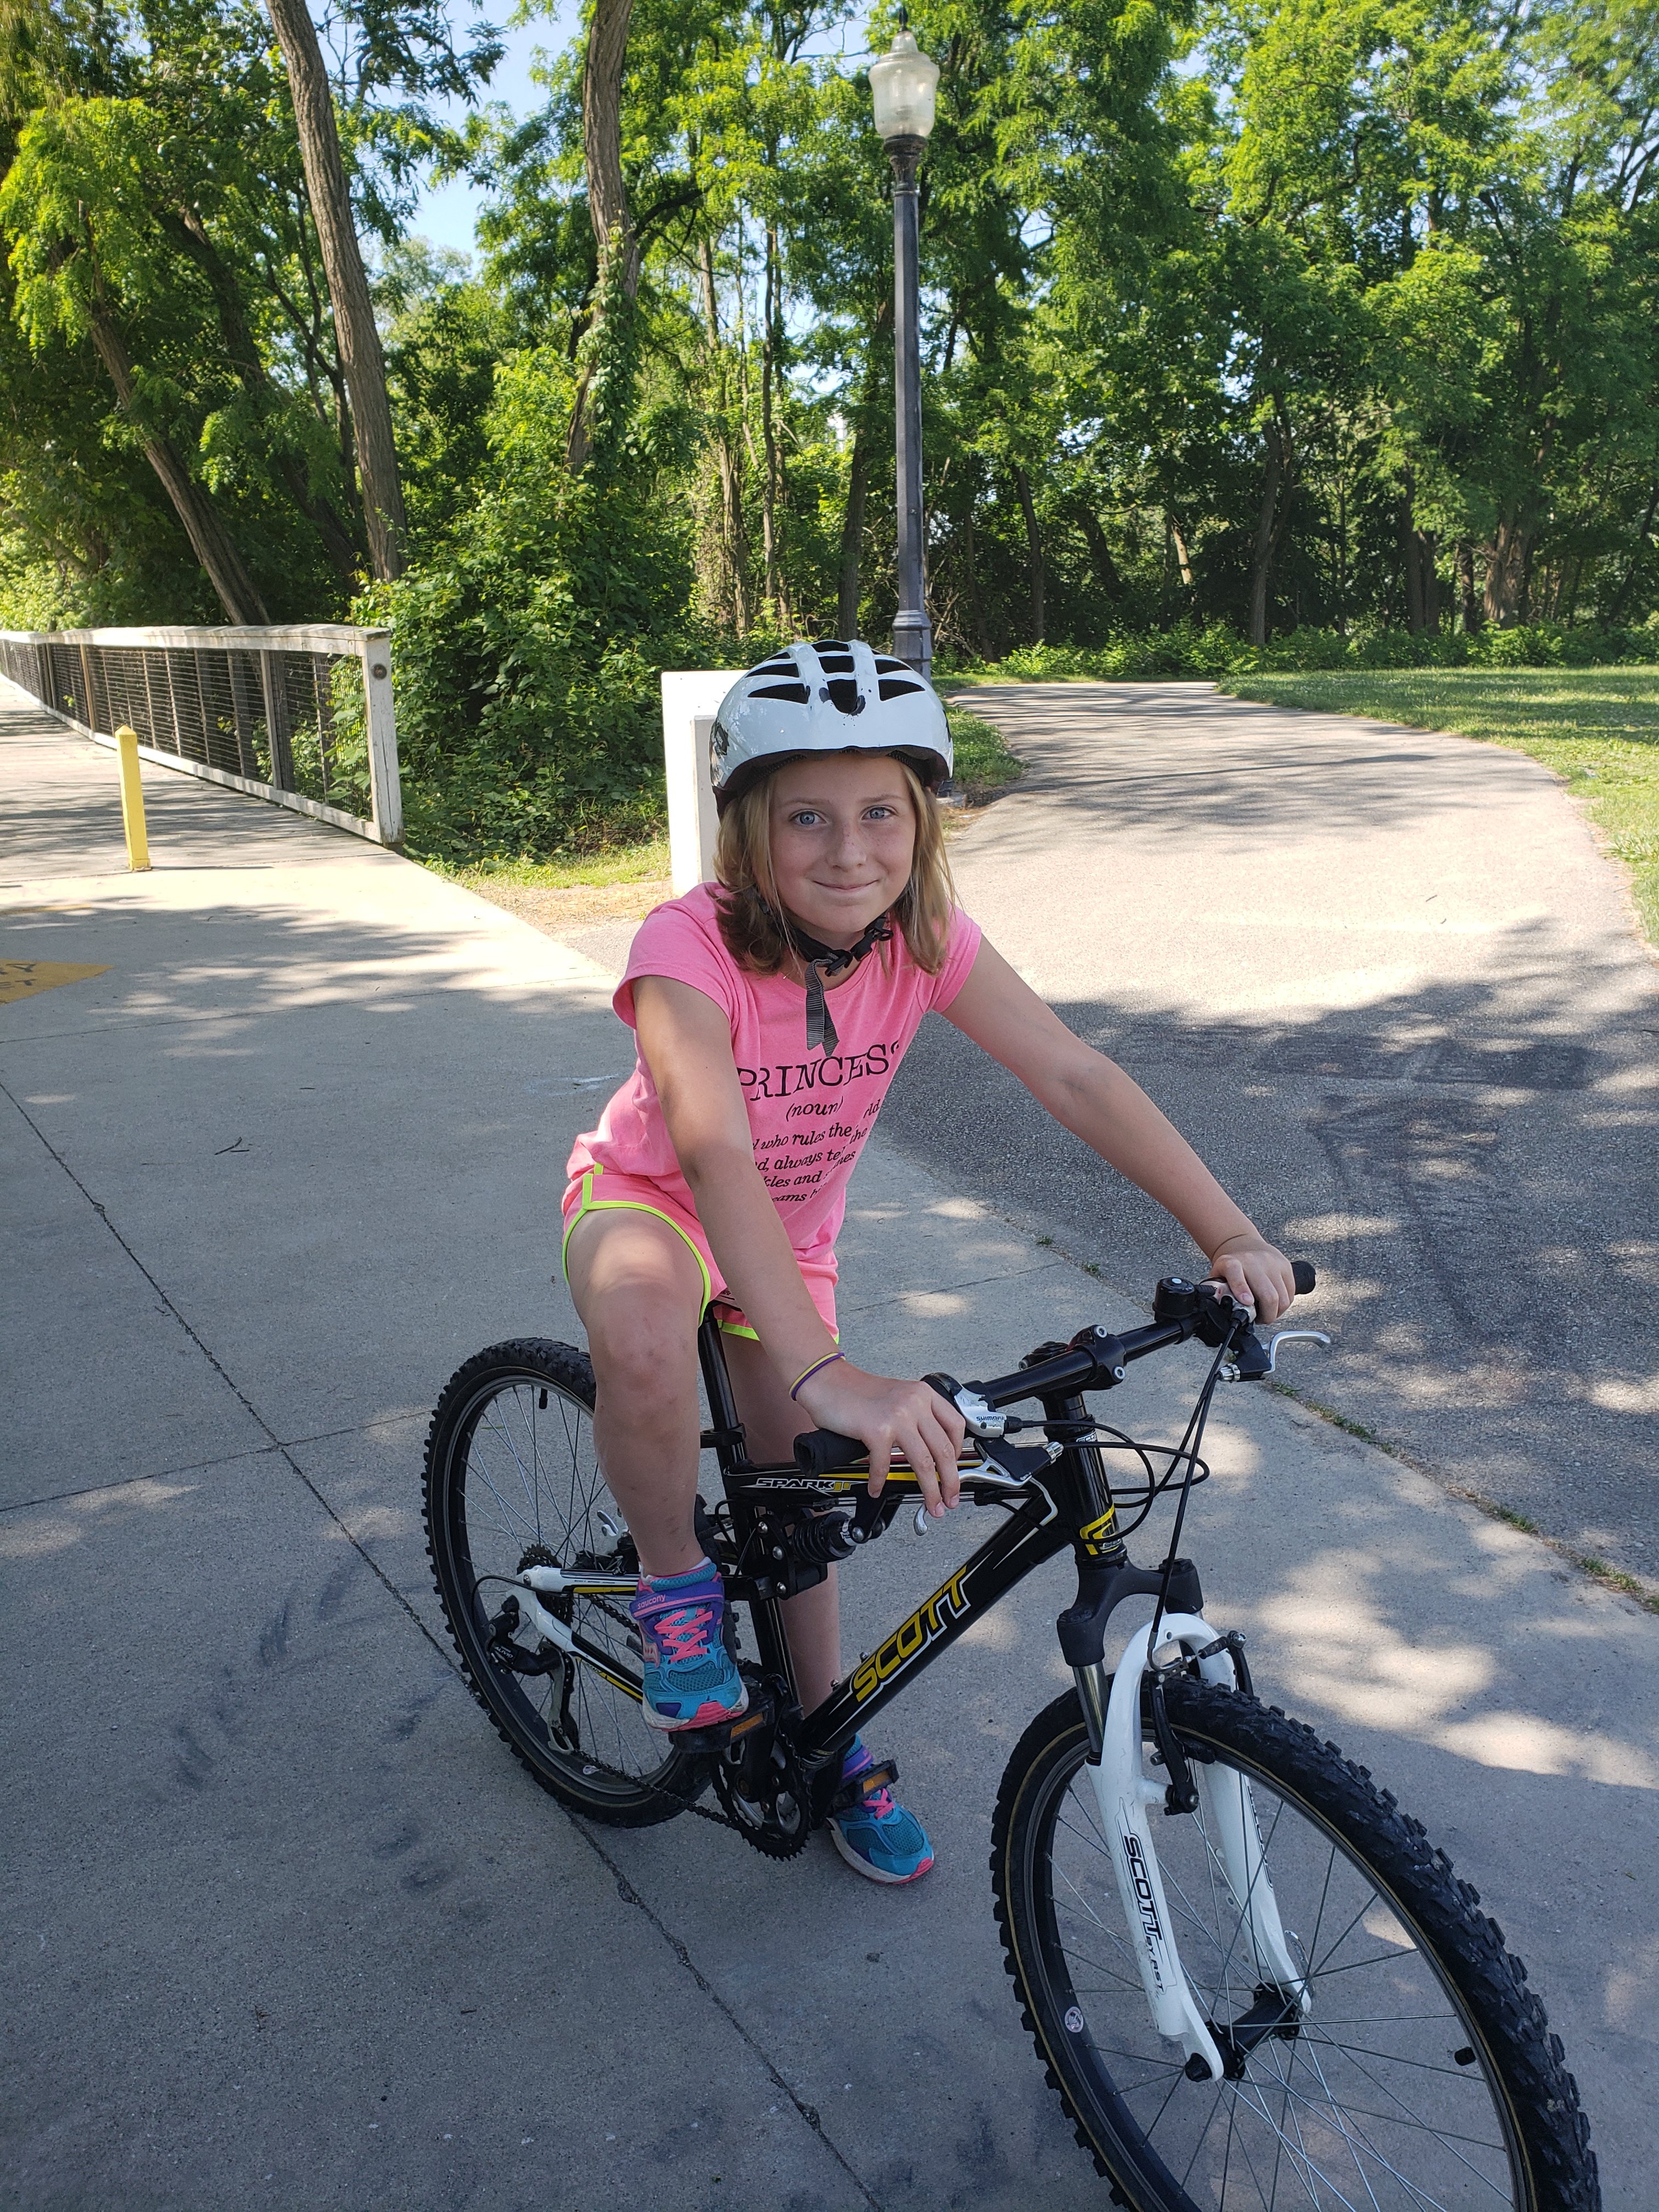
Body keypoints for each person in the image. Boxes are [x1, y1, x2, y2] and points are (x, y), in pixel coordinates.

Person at [562, 639, 1297, 1885]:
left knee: (803, 1501)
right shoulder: (686, 946)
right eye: (807, 817)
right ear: (746, 828)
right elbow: (714, 1155)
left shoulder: (925, 938)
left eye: (879, 814)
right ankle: (675, 1591)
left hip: (790, 1237)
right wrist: (829, 1369)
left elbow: (1073, 1072)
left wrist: (1223, 1229)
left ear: (921, 824)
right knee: (643, 1339)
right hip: (657, 1201)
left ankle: (830, 1739)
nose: (848, 851)